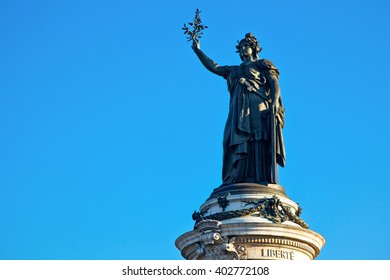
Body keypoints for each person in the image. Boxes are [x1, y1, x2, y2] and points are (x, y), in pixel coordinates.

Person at [192, 33, 286, 185]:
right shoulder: (233, 70)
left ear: (254, 48)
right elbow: (214, 67)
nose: (243, 49)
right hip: (238, 112)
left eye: (246, 46)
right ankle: (237, 176)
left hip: (258, 107)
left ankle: (260, 177)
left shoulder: (263, 65)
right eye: (241, 47)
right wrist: (198, 51)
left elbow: (274, 84)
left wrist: (275, 102)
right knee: (229, 141)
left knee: (258, 138)